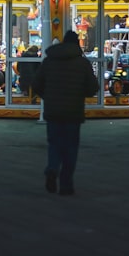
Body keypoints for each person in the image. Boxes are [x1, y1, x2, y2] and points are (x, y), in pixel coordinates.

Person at [31, 30, 99, 196]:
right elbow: (92, 88)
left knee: (54, 143)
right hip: (73, 112)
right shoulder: (82, 64)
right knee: (70, 147)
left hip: (53, 111)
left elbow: (37, 83)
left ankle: (52, 168)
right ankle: (66, 184)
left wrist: (47, 97)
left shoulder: (49, 61)